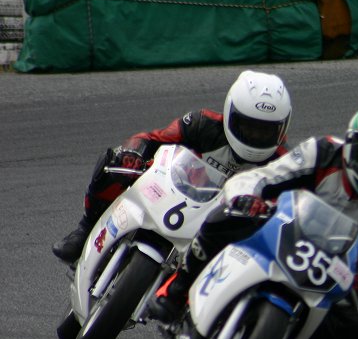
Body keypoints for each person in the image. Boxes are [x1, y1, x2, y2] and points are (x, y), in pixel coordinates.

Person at [148, 102, 358, 339]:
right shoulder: (322, 152)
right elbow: (259, 178)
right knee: (225, 216)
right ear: (353, 151)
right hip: (278, 231)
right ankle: (177, 289)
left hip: (331, 274)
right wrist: (247, 198)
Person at [52, 70, 293, 264]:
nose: (255, 136)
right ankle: (85, 229)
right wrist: (133, 152)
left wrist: (269, 211)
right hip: (176, 194)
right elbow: (151, 138)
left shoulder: (285, 164)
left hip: (222, 232)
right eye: (248, 126)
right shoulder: (202, 124)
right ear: (230, 114)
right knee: (115, 162)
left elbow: (292, 209)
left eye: (265, 130)